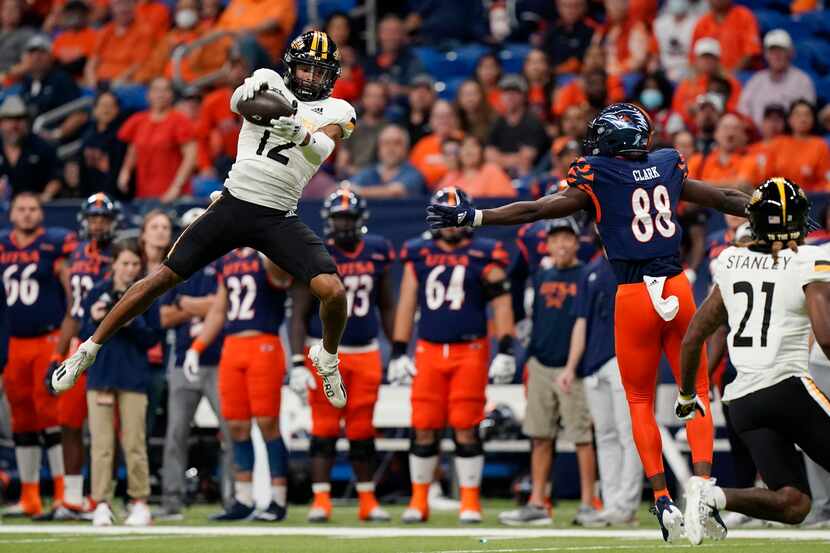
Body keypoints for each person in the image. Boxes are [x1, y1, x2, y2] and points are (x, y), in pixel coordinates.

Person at [426, 102, 751, 541]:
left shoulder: (596, 173)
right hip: (676, 287)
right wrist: (773, 210)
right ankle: (704, 487)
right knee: (693, 391)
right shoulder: (668, 163)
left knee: (638, 400)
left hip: (635, 294)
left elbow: (538, 210)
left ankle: (661, 499)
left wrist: (476, 216)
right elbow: (727, 198)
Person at [52, 31, 353, 448]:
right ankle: (88, 348)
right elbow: (239, 104)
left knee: (333, 291)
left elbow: (323, 147)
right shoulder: (268, 77)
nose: (311, 76)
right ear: (290, 65)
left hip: (278, 215)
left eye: (321, 72)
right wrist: (272, 107)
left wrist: (294, 128)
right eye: (306, 67)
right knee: (161, 279)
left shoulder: (338, 108)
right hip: (234, 202)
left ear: (332, 77)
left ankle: (328, 357)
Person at [677, 178, 830, 542]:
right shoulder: (810, 258)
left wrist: (686, 394)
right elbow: (825, 338)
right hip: (787, 388)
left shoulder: (731, 260)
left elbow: (693, 337)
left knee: (793, 503)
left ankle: (711, 496)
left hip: (743, 400)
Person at [391, 187, 515, 524]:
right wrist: (399, 349)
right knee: (424, 425)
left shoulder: (485, 252)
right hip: (429, 349)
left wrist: (506, 346)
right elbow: (407, 300)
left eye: (453, 215)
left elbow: (501, 300)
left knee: (466, 425)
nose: (448, 224)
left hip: (470, 350)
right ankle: (419, 501)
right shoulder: (418, 251)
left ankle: (470, 501)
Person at [289, 187, 394, 523]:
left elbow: (387, 304)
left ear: (360, 220)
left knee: (363, 428)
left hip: (365, 350)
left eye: (349, 218)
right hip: (323, 352)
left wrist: (401, 349)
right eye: (339, 218)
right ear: (329, 221)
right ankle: (321, 500)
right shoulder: (315, 251)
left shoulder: (377, 250)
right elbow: (299, 312)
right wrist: (294, 360)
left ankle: (367, 500)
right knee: (324, 427)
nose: (344, 225)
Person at [498, 218, 598, 526]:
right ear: (548, 244)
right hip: (540, 363)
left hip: (573, 368)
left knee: (581, 438)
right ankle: (538, 502)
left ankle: (588, 503)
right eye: (557, 239)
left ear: (577, 242)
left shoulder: (587, 275)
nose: (563, 244)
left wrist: (574, 365)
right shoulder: (540, 274)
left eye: (568, 238)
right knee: (540, 437)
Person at [185, 247, 292, 521]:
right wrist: (197, 347)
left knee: (268, 423)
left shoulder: (267, 254)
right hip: (232, 346)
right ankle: (243, 499)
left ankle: (278, 499)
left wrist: (268, 243)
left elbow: (281, 277)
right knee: (235, 424)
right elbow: (220, 310)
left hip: (263, 343)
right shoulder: (228, 259)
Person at [40, 193, 119, 521]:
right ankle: (72, 499)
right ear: (84, 220)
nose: (97, 223)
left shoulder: (121, 256)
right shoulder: (74, 257)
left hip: (109, 346)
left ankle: (103, 497)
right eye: (93, 217)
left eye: (103, 218)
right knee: (69, 422)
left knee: (107, 429)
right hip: (77, 345)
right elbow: (73, 311)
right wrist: (57, 354)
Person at [0, 193, 75, 518]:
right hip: (13, 341)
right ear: (12, 213)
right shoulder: (3, 245)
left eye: (32, 209)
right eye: (21, 209)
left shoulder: (53, 244)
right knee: (21, 418)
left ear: (41, 214)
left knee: (51, 414)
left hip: (47, 337)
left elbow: (70, 290)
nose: (27, 215)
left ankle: (61, 493)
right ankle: (30, 496)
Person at [156, 208, 229, 519]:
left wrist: (188, 305)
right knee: (175, 433)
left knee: (230, 432)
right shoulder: (177, 268)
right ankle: (171, 501)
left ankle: (235, 499)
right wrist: (205, 307)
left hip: (219, 360)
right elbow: (164, 316)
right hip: (184, 359)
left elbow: (225, 307)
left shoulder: (224, 264)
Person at [82, 239, 161, 527]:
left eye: (134, 264)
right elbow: (83, 333)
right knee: (101, 444)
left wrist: (130, 321)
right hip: (101, 376)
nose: (129, 269)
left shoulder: (148, 293)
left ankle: (139, 501)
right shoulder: (97, 292)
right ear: (113, 263)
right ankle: (100, 501)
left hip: (133, 376)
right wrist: (94, 321)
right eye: (125, 263)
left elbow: (154, 337)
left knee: (134, 442)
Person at [567, 250, 643, 526]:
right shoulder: (590, 271)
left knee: (628, 434)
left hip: (625, 358)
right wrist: (572, 365)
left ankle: (626, 504)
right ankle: (612, 503)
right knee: (606, 436)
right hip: (594, 362)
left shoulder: (636, 264)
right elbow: (581, 321)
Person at [117, 78, 197, 202]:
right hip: (144, 193)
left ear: (171, 95)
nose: (160, 94)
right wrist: (125, 171)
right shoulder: (138, 120)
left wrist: (176, 187)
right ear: (148, 94)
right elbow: (133, 149)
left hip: (174, 195)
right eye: (156, 90)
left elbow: (190, 157)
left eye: (165, 90)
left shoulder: (180, 120)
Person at [738, 30, 816, 128]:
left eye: (781, 50)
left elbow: (806, 117)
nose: (776, 55)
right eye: (772, 51)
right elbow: (742, 114)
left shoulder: (803, 81)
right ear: (766, 55)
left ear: (791, 53)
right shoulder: (755, 81)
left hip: (789, 138)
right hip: (757, 138)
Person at [18, 35, 86, 141]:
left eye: (42, 53)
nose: (36, 57)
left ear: (51, 56)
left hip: (51, 140)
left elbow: (79, 115)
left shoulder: (61, 79)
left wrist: (57, 134)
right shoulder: (27, 80)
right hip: (28, 139)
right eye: (32, 53)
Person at [485, 75, 549, 178]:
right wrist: (515, 158)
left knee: (523, 170)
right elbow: (489, 156)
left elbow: (526, 160)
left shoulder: (533, 123)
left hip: (533, 175)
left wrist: (500, 159)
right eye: (505, 92)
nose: (509, 96)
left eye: (514, 92)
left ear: (524, 96)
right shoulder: (497, 122)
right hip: (501, 175)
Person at [0, 95, 62, 201]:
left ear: (27, 122)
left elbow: (56, 178)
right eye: (9, 119)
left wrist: (45, 195)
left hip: (34, 209)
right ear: (1, 123)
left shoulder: (43, 147)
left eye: (19, 119)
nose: (14, 125)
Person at [68, 91, 128, 199]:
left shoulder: (122, 136)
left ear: (117, 110)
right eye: (103, 105)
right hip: (89, 195)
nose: (106, 110)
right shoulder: (87, 134)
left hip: (115, 197)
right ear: (95, 110)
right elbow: (81, 165)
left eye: (111, 106)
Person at [83, 0, 155, 87]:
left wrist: (116, 83)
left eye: (127, 3)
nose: (123, 8)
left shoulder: (143, 31)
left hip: (124, 83)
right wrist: (92, 82)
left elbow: (138, 65)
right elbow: (92, 62)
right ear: (111, 7)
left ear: (134, 6)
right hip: (99, 81)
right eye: (119, 4)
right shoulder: (105, 31)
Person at [768, 99, 830, 192]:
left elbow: (825, 180)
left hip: (812, 199)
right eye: (798, 115)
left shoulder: (820, 145)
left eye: (807, 115)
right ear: (789, 119)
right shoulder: (777, 144)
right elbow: (766, 176)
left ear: (813, 119)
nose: (803, 119)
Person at [351, 124, 426, 198]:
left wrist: (359, 191)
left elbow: (396, 192)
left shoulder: (414, 175)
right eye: (386, 143)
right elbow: (349, 187)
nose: (390, 149)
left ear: (406, 148)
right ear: (378, 148)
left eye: (397, 143)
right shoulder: (368, 173)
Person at [690, 0, 761, 72]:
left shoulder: (744, 15)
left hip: (742, 74)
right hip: (711, 77)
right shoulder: (702, 23)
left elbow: (751, 53)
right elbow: (694, 58)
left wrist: (729, 76)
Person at [364, 14, 425, 97]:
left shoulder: (412, 61)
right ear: (379, 35)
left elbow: (421, 92)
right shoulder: (369, 61)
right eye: (386, 32)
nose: (390, 37)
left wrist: (400, 90)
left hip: (401, 106)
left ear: (403, 35)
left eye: (395, 32)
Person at [409, 100, 463, 189]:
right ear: (431, 120)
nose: (443, 120)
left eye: (447, 115)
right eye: (438, 116)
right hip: (427, 195)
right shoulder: (422, 145)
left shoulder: (466, 141)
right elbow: (413, 175)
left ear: (455, 118)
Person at [439, 135, 516, 198]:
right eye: (463, 146)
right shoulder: (453, 174)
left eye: (473, 146)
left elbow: (506, 201)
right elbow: (438, 201)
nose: (468, 150)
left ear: (482, 152)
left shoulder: (491, 170)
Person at [540, 0, 595, 75]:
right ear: (559, 7)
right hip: (551, 74)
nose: (570, 10)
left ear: (584, 7)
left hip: (578, 75)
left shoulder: (591, 30)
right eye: (566, 6)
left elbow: (580, 60)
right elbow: (543, 53)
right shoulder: (552, 29)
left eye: (576, 6)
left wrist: (554, 72)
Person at [654, 0, 704, 82]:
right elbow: (654, 52)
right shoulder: (659, 24)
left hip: (687, 67)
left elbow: (698, 52)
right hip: (664, 67)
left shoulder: (697, 23)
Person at [454, 79, 496, 145]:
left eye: (473, 93)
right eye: (465, 94)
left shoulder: (493, 119)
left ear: (482, 95)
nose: (469, 98)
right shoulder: (453, 118)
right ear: (458, 97)